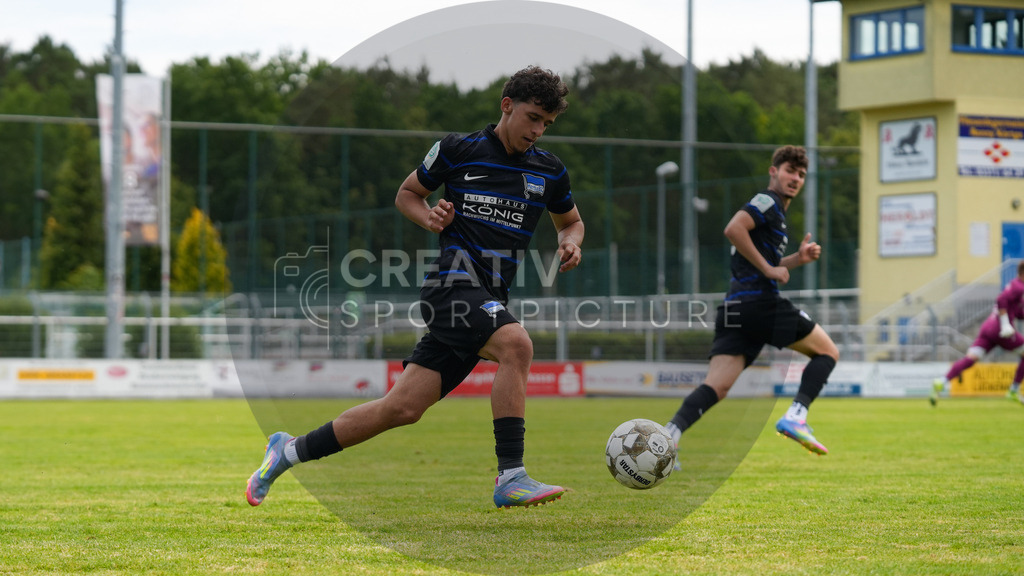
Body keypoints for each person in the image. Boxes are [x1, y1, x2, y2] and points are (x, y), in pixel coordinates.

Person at [246, 66, 584, 508]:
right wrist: (429, 217)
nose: (538, 130)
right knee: (516, 345)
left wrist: (569, 242)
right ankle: (511, 476)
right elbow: (408, 193)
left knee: (400, 409)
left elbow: (571, 221)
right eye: (533, 117)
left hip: (487, 298)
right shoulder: (458, 149)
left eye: (547, 123)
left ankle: (285, 451)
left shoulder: (549, 171)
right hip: (451, 285)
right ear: (507, 106)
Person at [664, 145, 840, 456]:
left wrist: (796, 259)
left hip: (735, 309)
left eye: (801, 175)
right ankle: (796, 417)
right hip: (759, 304)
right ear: (774, 171)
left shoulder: (775, 214)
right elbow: (733, 229)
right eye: (789, 171)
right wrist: (772, 268)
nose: (796, 179)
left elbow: (758, 263)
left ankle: (668, 437)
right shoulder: (768, 201)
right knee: (828, 352)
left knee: (716, 387)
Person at [930, 260, 1024, 406]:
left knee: (971, 358)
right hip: (1001, 330)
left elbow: (1016, 311)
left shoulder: (1014, 285)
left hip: (988, 328)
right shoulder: (1019, 287)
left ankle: (941, 381)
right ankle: (1013, 389)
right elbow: (1001, 299)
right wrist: (1005, 324)